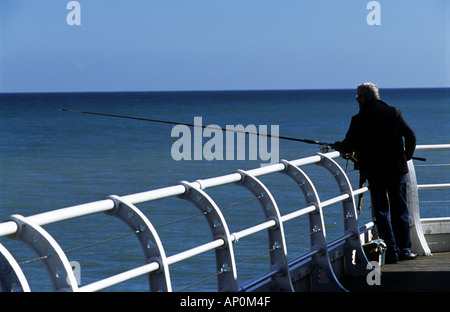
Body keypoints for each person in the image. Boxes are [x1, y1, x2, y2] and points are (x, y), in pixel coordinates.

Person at [332, 82, 417, 263]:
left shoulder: (359, 119)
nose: (356, 99)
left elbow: (349, 145)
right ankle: (405, 250)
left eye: (357, 96)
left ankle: (391, 251)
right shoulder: (394, 112)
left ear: (364, 97)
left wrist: (336, 146)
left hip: (375, 171)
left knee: (382, 211)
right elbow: (411, 136)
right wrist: (406, 157)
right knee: (400, 209)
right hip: (396, 169)